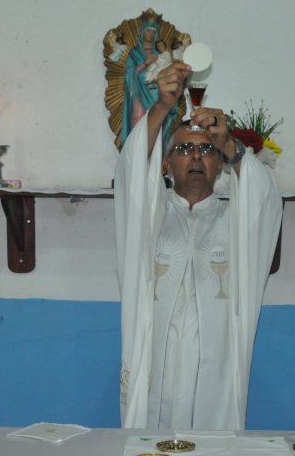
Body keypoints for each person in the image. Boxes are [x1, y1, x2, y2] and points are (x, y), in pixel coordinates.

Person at [115, 61, 283, 430]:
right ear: (165, 163)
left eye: (206, 150)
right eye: (184, 148)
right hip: (155, 368)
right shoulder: (148, 219)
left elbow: (265, 201)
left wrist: (231, 145)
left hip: (216, 376)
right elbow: (128, 174)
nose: (194, 156)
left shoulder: (235, 223)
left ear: (220, 164)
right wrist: (162, 105)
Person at [121, 23, 178, 146]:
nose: (151, 34)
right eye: (148, 31)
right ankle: (137, 151)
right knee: (139, 121)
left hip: (157, 94)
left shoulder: (161, 53)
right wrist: (145, 64)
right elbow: (129, 75)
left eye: (153, 32)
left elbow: (168, 70)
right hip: (139, 94)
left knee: (159, 124)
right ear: (141, 33)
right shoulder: (134, 53)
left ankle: (156, 156)